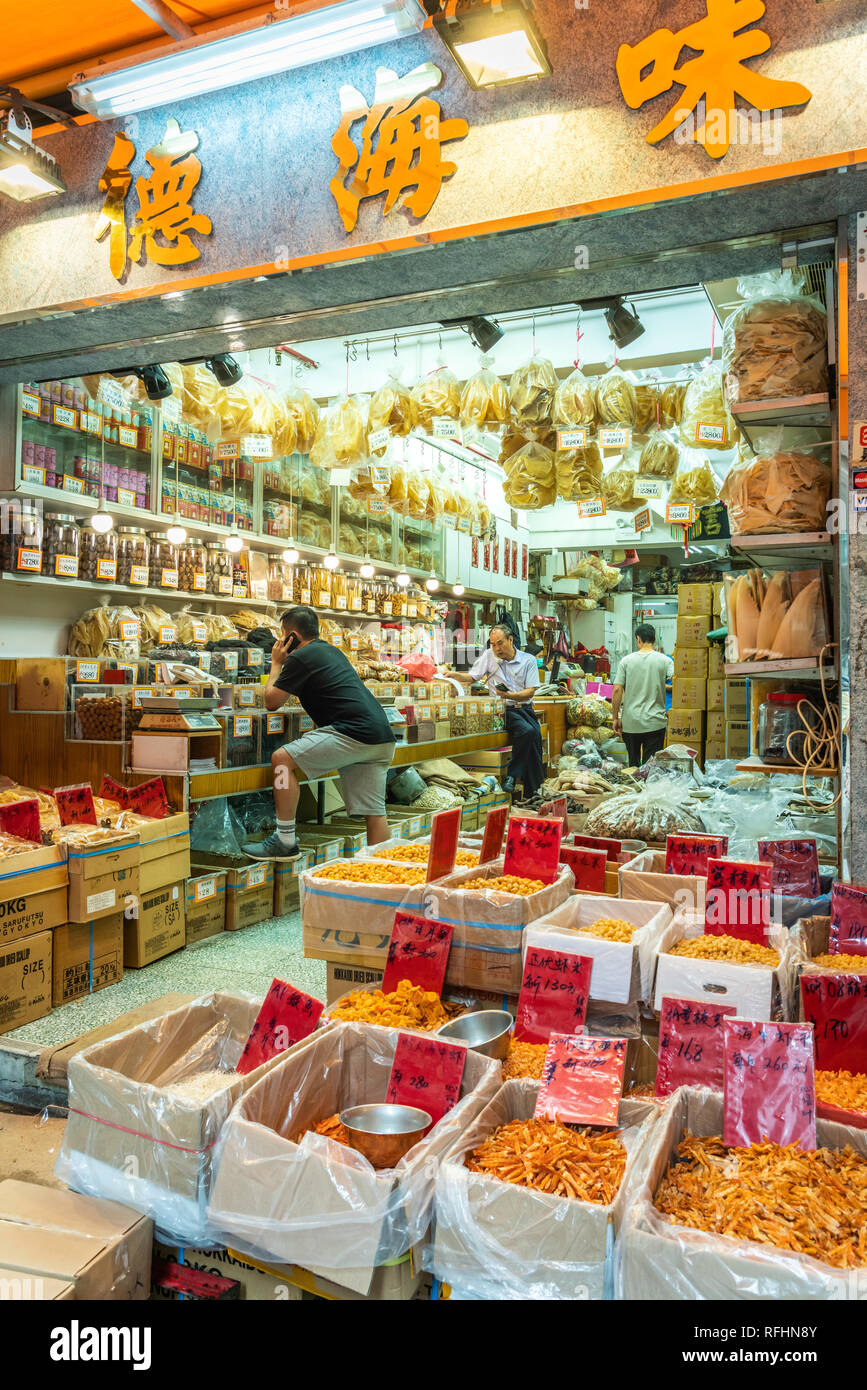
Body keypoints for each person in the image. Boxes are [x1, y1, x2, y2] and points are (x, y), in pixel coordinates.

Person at [246, 605, 396, 858]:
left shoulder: (299, 657)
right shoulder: (329, 651)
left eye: (282, 635)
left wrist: (275, 664)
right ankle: (381, 870)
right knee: (375, 811)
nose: (280, 641)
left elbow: (272, 701)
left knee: (281, 760)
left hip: (353, 733)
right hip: (381, 736)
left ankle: (284, 840)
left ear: (291, 636)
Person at [450, 623, 544, 798]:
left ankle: (534, 795)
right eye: (493, 644)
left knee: (535, 746)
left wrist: (510, 694)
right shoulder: (489, 656)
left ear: (510, 640)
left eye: (500, 643)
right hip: (502, 711)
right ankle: (513, 776)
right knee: (527, 731)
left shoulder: (528, 660)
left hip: (525, 709)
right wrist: (454, 676)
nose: (496, 648)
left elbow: (530, 691)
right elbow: (472, 677)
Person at [612, 623, 674, 767]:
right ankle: (648, 788)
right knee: (650, 767)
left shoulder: (626, 661)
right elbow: (679, 682)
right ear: (654, 640)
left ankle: (634, 787)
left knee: (633, 765)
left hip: (630, 723)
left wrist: (615, 717)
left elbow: (617, 690)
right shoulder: (665, 661)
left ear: (638, 639)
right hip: (655, 722)